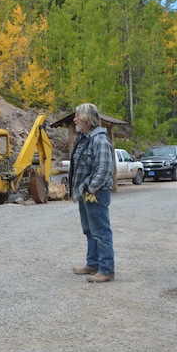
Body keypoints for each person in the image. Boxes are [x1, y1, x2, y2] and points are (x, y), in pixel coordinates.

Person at [68, 103, 116, 283]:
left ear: (87, 118)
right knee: (90, 230)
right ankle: (93, 263)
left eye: (77, 116)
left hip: (94, 193)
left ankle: (106, 270)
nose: (75, 120)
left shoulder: (100, 140)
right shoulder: (84, 138)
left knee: (101, 231)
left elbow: (104, 170)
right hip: (85, 192)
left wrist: (90, 188)